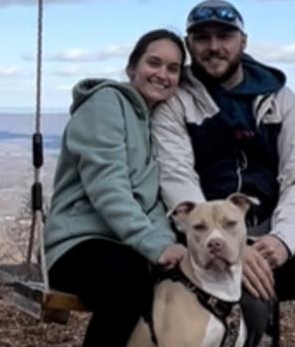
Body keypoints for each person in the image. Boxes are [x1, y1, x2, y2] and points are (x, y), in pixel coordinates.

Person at [152, 0, 295, 347]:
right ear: (189, 45)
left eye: (224, 36)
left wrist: (283, 241)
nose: (214, 47)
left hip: (275, 227)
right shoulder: (176, 102)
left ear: (243, 41)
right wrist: (229, 240)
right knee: (248, 310)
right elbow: (177, 177)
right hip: (210, 239)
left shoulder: (279, 98)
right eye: (202, 38)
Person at [44, 28, 188, 347]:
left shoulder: (155, 124)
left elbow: (151, 202)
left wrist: (166, 245)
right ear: (132, 68)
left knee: (180, 283)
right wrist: (154, 247)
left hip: (124, 245)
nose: (162, 74)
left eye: (173, 68)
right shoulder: (105, 104)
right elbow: (108, 188)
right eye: (154, 63)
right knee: (130, 279)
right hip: (77, 244)